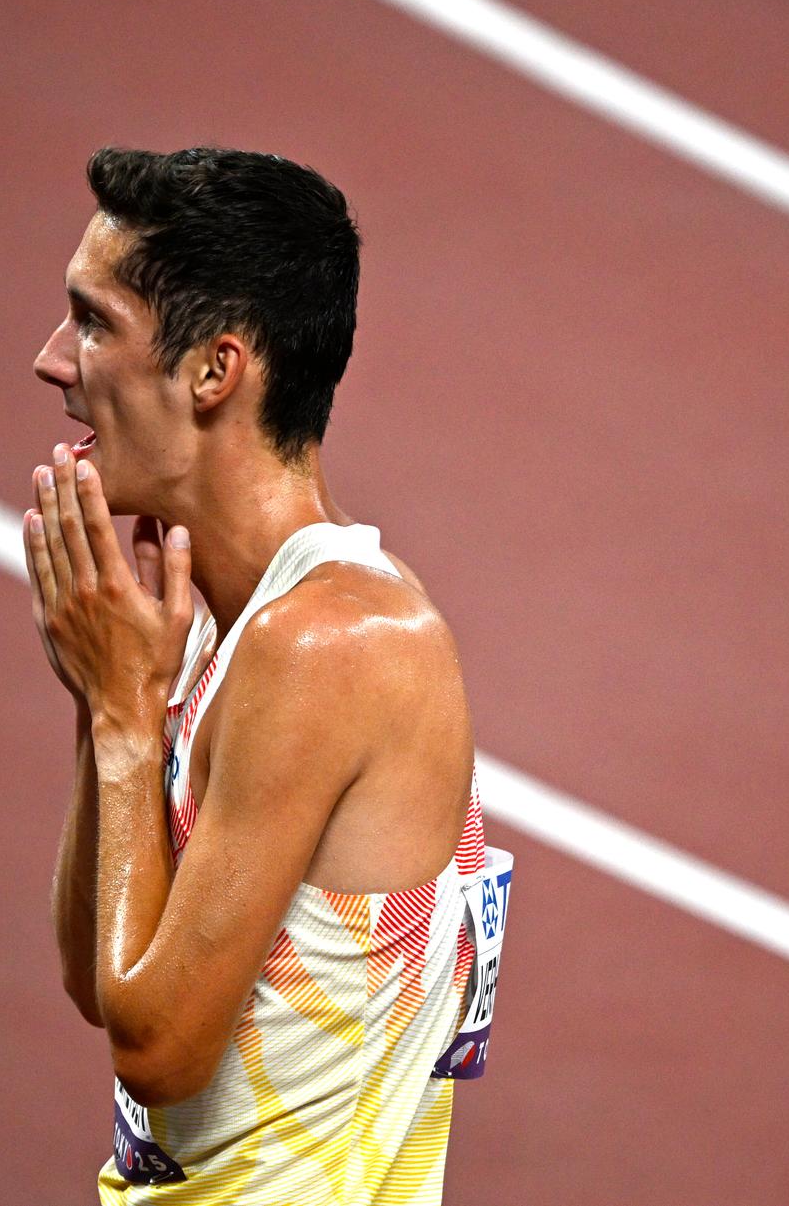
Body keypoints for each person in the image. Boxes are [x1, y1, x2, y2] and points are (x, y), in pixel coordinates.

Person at [24, 146, 489, 1205]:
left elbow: (156, 1049)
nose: (53, 360)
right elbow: (93, 977)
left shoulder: (338, 644)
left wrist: (127, 716)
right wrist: (114, 700)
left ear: (214, 371)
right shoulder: (210, 621)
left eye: (93, 321)